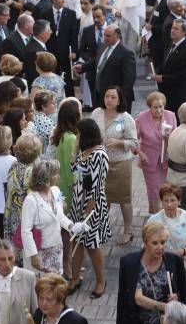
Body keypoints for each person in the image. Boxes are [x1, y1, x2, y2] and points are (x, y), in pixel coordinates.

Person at [116, 222, 186, 324]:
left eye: (163, 242)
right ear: (145, 243)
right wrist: (164, 306)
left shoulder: (174, 261)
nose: (160, 247)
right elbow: (137, 298)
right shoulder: (129, 263)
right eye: (155, 243)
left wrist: (177, 298)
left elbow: (185, 293)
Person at [68, 119, 112, 298]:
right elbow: (75, 172)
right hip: (78, 202)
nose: (77, 137)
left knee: (92, 245)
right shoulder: (84, 151)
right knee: (76, 242)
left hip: (91, 205)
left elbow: (96, 184)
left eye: (79, 133)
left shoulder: (99, 155)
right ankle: (75, 278)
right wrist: (75, 151)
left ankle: (101, 281)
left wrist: (89, 210)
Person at [92, 86, 139, 245]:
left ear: (119, 100)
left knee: (124, 199)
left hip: (120, 163)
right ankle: (101, 227)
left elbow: (134, 142)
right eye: (107, 96)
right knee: (103, 198)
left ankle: (128, 230)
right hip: (100, 162)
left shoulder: (126, 118)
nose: (109, 100)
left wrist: (119, 142)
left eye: (113, 97)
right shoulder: (97, 113)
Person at [20, 159, 79, 277]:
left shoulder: (56, 191)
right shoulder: (31, 200)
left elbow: (60, 216)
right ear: (46, 179)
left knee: (56, 285)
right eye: (55, 173)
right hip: (40, 253)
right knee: (42, 289)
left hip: (56, 249)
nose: (58, 176)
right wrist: (33, 255)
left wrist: (72, 226)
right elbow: (25, 231)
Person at [77, 25, 137, 112]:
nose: (105, 38)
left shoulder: (126, 53)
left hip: (115, 99)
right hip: (99, 94)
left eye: (108, 36)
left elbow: (129, 79)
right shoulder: (102, 46)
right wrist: (83, 67)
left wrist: (120, 98)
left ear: (117, 36)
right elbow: (96, 62)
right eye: (104, 35)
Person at [136, 92, 178, 215]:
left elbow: (176, 136)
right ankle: (156, 215)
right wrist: (140, 153)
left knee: (163, 187)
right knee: (154, 189)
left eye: (161, 106)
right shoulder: (141, 118)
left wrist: (169, 138)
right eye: (155, 107)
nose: (159, 110)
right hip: (148, 160)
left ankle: (153, 208)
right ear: (149, 107)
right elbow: (133, 139)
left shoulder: (171, 116)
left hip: (166, 159)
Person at [153, 19, 186, 116]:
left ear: (184, 32)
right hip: (169, 92)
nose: (172, 30)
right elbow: (166, 62)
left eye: (176, 29)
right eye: (172, 28)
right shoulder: (171, 44)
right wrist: (158, 71)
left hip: (180, 95)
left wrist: (163, 78)